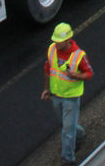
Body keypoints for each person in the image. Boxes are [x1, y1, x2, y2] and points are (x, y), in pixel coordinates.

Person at [42, 22, 93, 165]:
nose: (56, 44)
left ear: (68, 40)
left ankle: (68, 160)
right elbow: (47, 69)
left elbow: (89, 73)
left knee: (67, 132)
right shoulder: (52, 50)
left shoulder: (79, 56)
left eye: (59, 41)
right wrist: (46, 89)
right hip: (56, 95)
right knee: (66, 126)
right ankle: (81, 135)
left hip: (71, 97)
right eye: (55, 41)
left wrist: (76, 76)